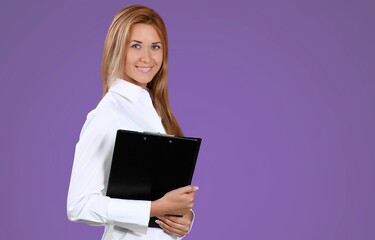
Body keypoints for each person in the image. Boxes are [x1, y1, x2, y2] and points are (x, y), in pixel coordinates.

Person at [67, 5, 199, 240]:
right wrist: (156, 208)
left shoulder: (156, 111)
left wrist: (184, 217)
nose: (146, 57)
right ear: (118, 49)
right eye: (135, 45)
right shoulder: (107, 114)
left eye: (155, 47)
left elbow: (155, 193)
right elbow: (79, 205)